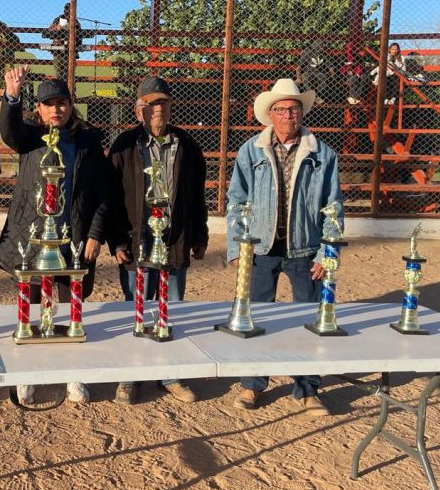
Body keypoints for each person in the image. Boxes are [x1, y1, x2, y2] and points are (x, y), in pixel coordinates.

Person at [226, 77, 344, 417]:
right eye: (281, 110)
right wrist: (237, 248)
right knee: (255, 318)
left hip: (306, 250)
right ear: (270, 114)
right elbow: (237, 201)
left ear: (301, 113)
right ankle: (252, 384)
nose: (288, 115)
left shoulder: (323, 154)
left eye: (293, 109)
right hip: (261, 249)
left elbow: (333, 207)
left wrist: (328, 253)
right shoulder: (251, 151)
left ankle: (307, 389)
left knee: (309, 319)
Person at [0, 65, 110, 405]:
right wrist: (12, 95)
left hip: (73, 236)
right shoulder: (30, 136)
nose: (56, 109)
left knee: (73, 306)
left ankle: (73, 373)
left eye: (61, 102)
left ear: (70, 105)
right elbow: (9, 132)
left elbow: (102, 192)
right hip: (33, 237)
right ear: (39, 109)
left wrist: (95, 234)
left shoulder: (88, 141)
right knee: (30, 306)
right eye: (48, 104)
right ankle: (27, 375)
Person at [108, 76, 208, 405]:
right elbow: (112, 198)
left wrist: (200, 234)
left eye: (163, 102)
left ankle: (170, 374)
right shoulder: (124, 145)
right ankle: (131, 375)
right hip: (137, 241)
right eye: (151, 103)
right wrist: (117, 242)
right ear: (139, 109)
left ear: (170, 105)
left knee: (171, 308)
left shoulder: (187, 145)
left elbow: (196, 196)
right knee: (136, 309)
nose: (158, 108)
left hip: (175, 239)